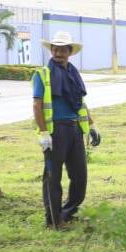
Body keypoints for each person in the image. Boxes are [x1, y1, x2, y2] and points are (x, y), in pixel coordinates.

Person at [32, 32, 99, 228]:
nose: (58, 53)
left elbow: (80, 102)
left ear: (70, 52)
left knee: (80, 176)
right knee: (53, 178)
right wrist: (44, 133)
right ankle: (53, 221)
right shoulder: (43, 74)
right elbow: (37, 105)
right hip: (55, 132)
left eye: (62, 49)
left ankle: (68, 212)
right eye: (55, 49)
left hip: (75, 129)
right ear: (51, 50)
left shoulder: (73, 73)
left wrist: (92, 125)